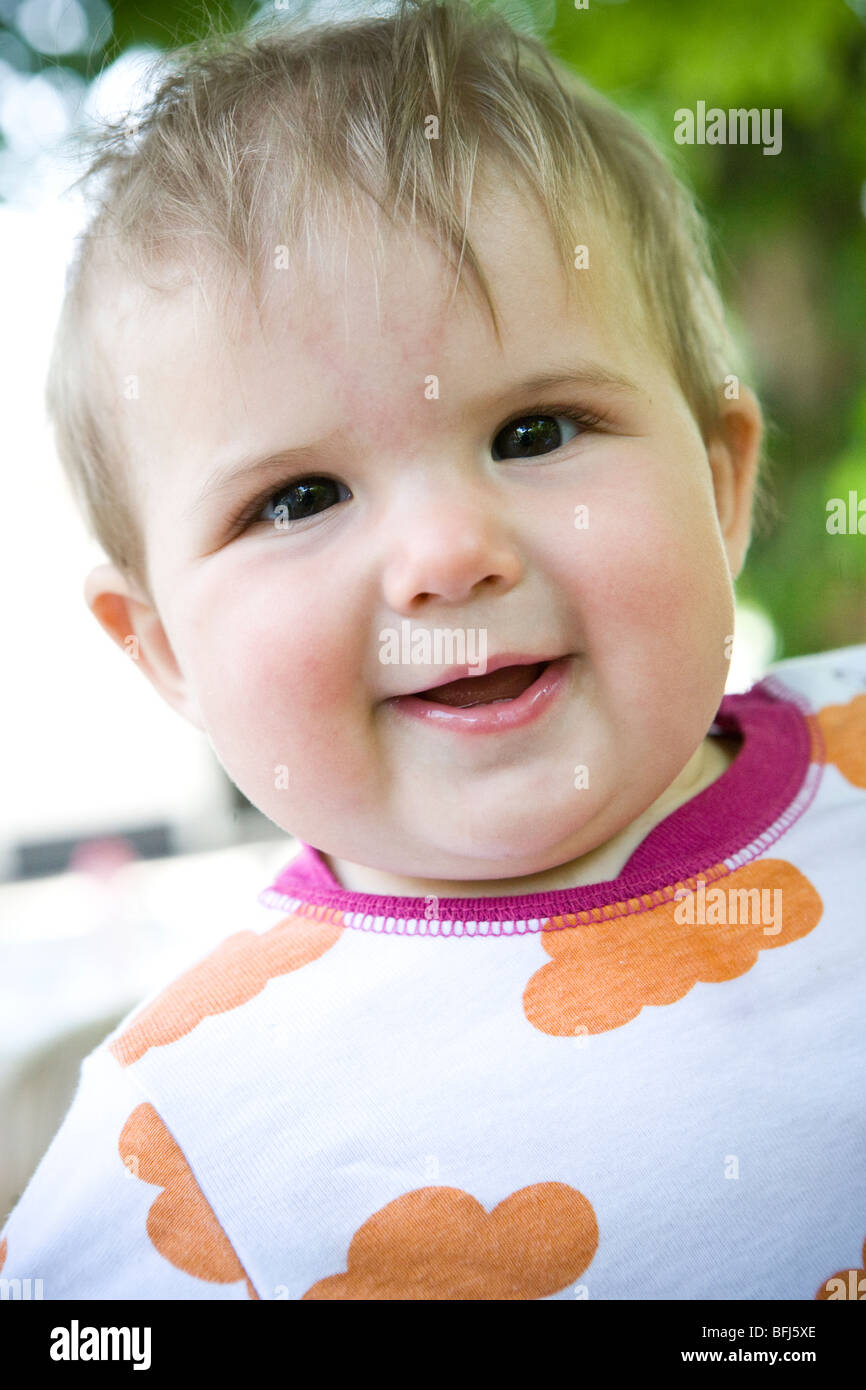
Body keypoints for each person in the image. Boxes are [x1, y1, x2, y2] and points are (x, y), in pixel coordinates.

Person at [2, 0, 864, 1300]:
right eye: (296, 499)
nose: (445, 555)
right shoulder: (180, 1143)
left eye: (535, 431)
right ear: (164, 647)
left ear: (720, 483)